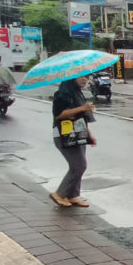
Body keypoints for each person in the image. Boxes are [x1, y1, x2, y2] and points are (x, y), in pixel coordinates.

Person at [50, 76, 97, 208]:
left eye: (87, 77)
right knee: (79, 166)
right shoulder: (62, 93)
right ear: (72, 78)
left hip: (78, 133)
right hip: (64, 135)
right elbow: (59, 114)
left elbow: (81, 117)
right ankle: (59, 194)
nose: (85, 80)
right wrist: (82, 108)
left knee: (78, 165)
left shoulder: (77, 92)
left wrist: (89, 135)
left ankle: (73, 195)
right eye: (82, 77)